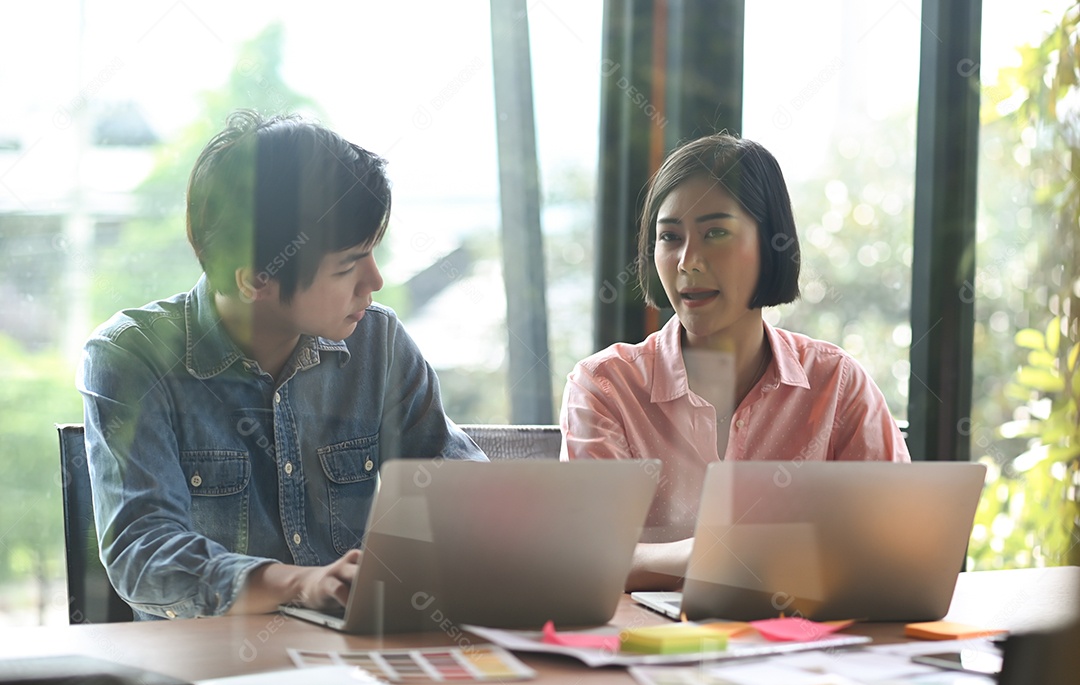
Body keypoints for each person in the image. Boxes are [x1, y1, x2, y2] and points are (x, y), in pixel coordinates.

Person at [77, 109, 486, 620]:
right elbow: (144, 555)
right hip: (209, 673)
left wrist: (565, 557)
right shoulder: (131, 357)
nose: (375, 281)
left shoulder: (378, 342)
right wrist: (300, 584)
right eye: (346, 266)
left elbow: (461, 495)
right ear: (255, 280)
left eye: (372, 253)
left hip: (353, 668)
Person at [560, 132, 910, 591]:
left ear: (771, 244)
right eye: (670, 237)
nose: (688, 261)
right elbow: (593, 555)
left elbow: (900, 544)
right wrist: (721, 552)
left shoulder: (837, 383)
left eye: (715, 233)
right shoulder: (605, 386)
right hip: (651, 653)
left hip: (806, 650)